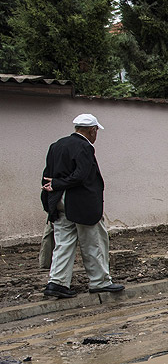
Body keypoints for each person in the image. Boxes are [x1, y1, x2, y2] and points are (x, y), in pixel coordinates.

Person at [40, 113, 124, 298]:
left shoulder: (56, 145)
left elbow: (48, 175)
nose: (96, 135)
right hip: (81, 203)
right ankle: (100, 281)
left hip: (59, 201)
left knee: (63, 243)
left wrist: (54, 187)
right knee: (94, 241)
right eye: (96, 131)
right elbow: (82, 175)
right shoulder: (85, 147)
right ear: (92, 130)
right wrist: (60, 183)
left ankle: (57, 283)